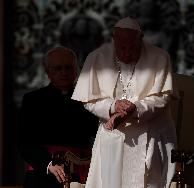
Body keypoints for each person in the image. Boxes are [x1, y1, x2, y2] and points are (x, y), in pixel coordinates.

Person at [71, 17, 177, 188]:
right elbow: (89, 100)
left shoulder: (160, 57)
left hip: (150, 135)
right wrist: (112, 106)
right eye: (122, 48)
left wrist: (135, 109)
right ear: (114, 40)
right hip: (113, 137)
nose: (127, 53)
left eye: (132, 48)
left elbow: (162, 98)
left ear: (141, 39)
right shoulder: (96, 58)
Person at [18, 46, 99, 188]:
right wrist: (48, 164)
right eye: (57, 68)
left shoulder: (89, 101)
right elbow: (25, 143)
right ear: (48, 71)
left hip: (80, 175)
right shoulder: (33, 100)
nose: (64, 73)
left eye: (68, 68)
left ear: (76, 70)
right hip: (43, 174)